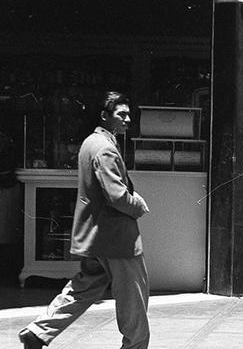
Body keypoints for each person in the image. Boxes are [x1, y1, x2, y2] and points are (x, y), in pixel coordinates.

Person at [19, 92, 151, 349]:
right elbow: (116, 196)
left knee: (82, 289)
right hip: (118, 241)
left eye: (128, 114)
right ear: (104, 116)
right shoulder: (105, 149)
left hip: (96, 239)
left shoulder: (90, 143)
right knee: (133, 302)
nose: (127, 119)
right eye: (120, 114)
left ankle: (37, 332)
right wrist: (138, 205)